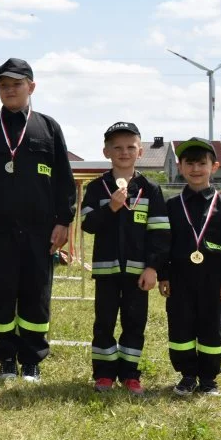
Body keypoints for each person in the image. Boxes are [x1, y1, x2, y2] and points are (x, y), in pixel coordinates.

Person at [0, 58, 75, 382]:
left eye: (16, 84)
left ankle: (31, 359)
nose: (9, 90)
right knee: (1, 292)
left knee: (36, 294)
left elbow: (63, 180)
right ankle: (6, 358)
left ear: (31, 86)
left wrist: (63, 220)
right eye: (3, 85)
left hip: (40, 231)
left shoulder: (49, 127)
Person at [80, 122, 170, 395]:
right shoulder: (97, 188)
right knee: (104, 322)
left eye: (130, 147)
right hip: (106, 272)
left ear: (140, 151)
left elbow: (160, 233)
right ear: (106, 151)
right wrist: (112, 207)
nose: (123, 152)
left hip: (138, 273)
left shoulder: (150, 189)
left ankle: (131, 374)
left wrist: (153, 267)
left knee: (134, 323)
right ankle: (104, 374)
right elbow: (87, 223)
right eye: (116, 147)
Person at [159, 137, 221, 396]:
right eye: (190, 164)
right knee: (180, 325)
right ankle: (187, 375)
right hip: (180, 278)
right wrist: (164, 275)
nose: (196, 169)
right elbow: (163, 243)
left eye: (202, 163)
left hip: (213, 279)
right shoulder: (172, 206)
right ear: (180, 166)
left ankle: (209, 379)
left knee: (211, 326)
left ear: (214, 167)